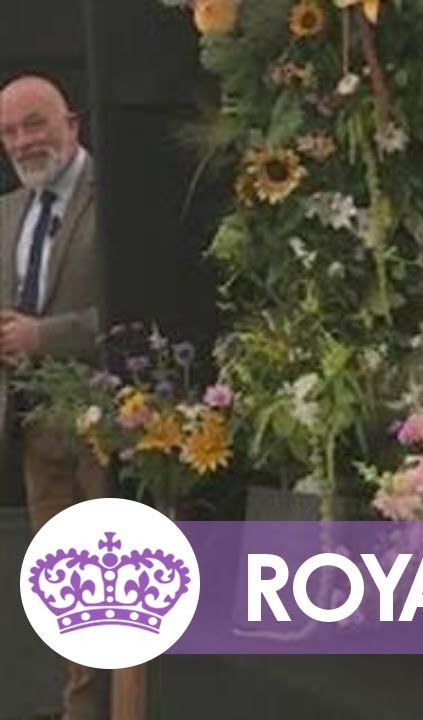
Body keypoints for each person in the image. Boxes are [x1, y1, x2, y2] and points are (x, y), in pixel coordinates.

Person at [0, 75, 109, 719]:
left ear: (72, 121)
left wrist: (47, 336)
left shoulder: (120, 198)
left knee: (119, 584)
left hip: (111, 425)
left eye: (35, 123)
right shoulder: (9, 209)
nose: (23, 141)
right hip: (36, 426)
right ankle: (80, 711)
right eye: (10, 132)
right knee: (65, 587)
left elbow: (143, 304)